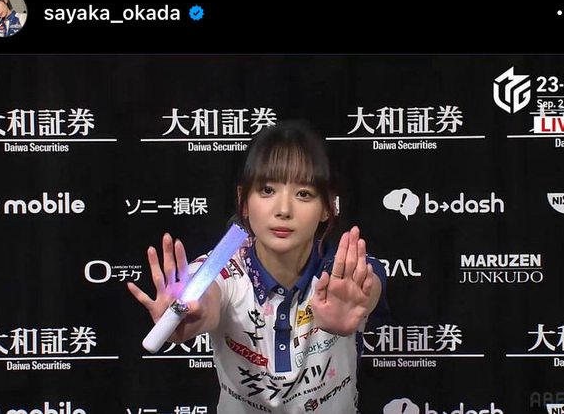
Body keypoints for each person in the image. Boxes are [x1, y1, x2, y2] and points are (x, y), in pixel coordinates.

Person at [128, 121, 389, 413]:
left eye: (303, 194)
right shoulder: (222, 263)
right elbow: (205, 295)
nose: (283, 210)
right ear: (243, 202)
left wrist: (360, 301)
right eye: (267, 190)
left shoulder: (342, 269)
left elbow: (368, 287)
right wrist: (187, 313)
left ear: (328, 207)